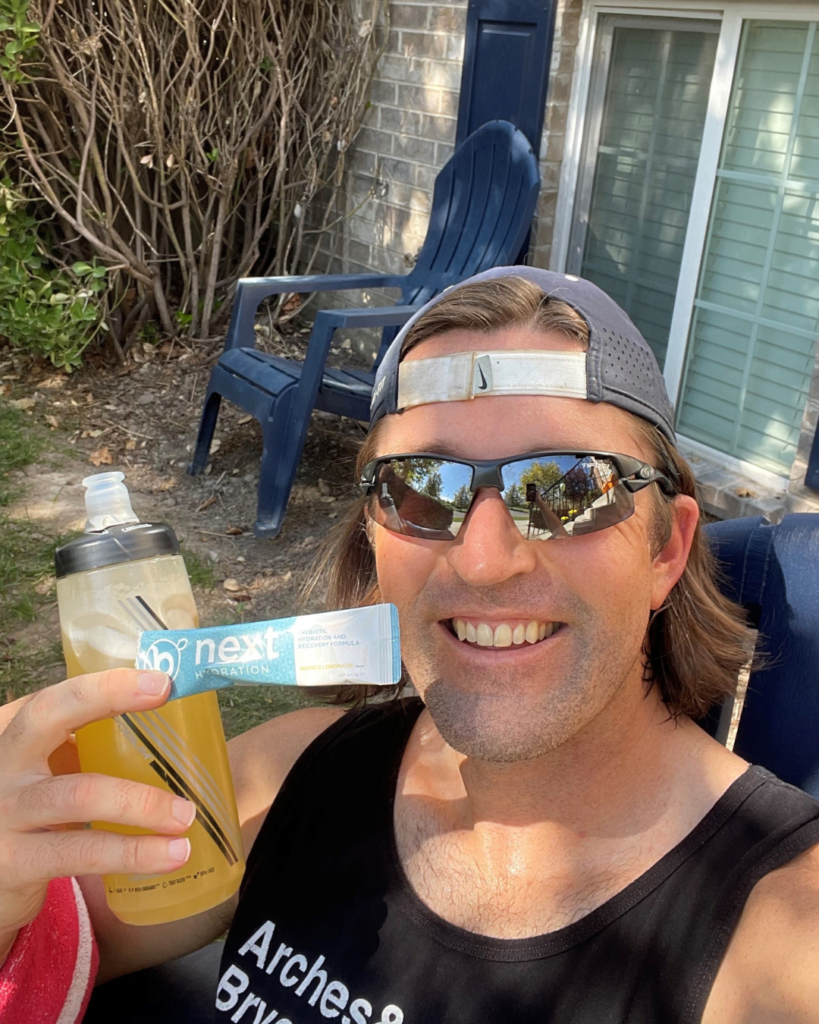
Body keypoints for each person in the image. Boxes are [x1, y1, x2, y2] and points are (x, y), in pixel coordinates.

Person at [2, 267, 819, 1024]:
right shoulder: (291, 774)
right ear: (373, 535)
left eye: (570, 489)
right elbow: (51, 953)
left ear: (665, 549)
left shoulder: (783, 939)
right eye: (419, 489)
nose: (483, 561)